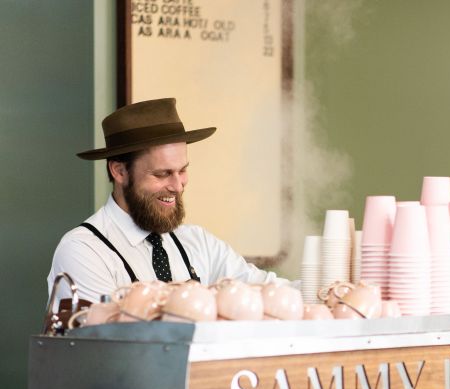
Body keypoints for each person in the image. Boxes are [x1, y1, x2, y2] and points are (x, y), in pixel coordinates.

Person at [48, 98, 285, 303]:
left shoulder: (198, 243)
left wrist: (319, 294)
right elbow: (106, 343)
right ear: (119, 172)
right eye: (162, 174)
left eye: (182, 170)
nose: (177, 185)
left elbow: (266, 289)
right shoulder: (84, 251)